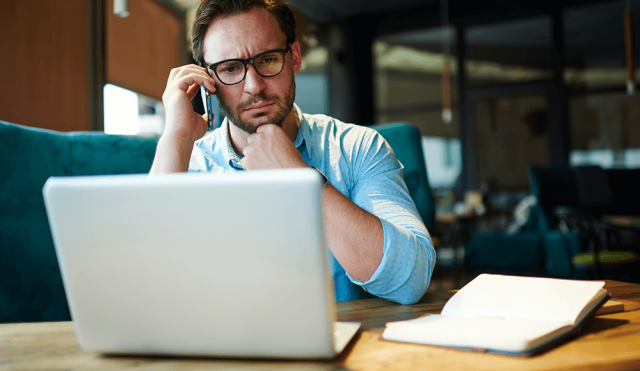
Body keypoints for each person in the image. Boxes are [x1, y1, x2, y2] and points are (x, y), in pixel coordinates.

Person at [150, 0, 435, 304]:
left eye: (268, 59)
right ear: (208, 82)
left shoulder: (358, 147)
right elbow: (144, 291)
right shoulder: (184, 165)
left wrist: (301, 178)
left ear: (295, 57)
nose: (254, 86)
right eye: (230, 68)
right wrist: (175, 139)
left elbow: (410, 281)